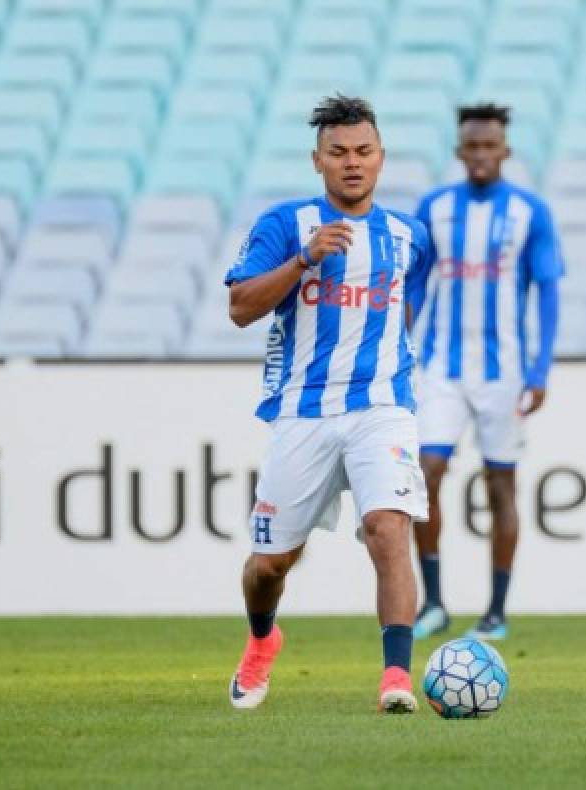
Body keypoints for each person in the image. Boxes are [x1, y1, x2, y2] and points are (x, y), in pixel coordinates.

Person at [223, 95, 435, 714]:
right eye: (338, 152)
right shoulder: (285, 225)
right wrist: (305, 259)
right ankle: (263, 638)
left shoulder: (408, 236)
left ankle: (396, 677)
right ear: (317, 160)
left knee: (388, 528)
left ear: (381, 158)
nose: (352, 163)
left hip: (383, 407)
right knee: (269, 564)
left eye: (363, 151)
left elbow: (407, 307)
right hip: (305, 412)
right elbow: (240, 308)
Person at [411, 103, 563, 641]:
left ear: (505, 150)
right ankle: (433, 602)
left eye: (489, 146)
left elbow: (547, 292)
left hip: (503, 373)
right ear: (459, 152)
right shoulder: (433, 209)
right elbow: (414, 285)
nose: (480, 155)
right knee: (425, 473)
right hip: (440, 370)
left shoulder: (529, 212)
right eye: (471, 147)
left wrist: (539, 369)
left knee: (502, 485)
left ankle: (496, 610)